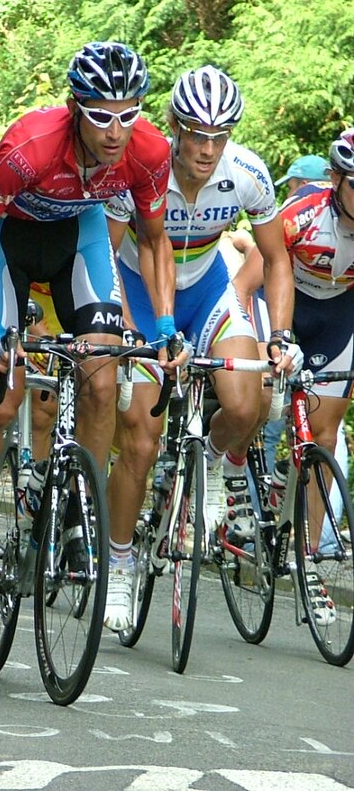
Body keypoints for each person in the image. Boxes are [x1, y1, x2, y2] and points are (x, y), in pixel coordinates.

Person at [0, 41, 183, 612]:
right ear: (75, 108)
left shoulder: (149, 151)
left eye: (129, 114)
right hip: (7, 244)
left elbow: (154, 243)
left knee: (102, 378)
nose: (116, 130)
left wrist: (168, 322)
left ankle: (80, 510)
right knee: (3, 399)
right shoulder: (30, 146)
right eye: (101, 115)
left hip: (79, 240)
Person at [104, 66, 298, 631]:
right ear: (174, 126)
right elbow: (106, 252)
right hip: (139, 292)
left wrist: (280, 334)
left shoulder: (248, 174)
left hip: (209, 289)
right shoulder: (141, 168)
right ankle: (118, 565)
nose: (208, 148)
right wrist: (126, 328)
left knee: (248, 397)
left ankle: (209, 464)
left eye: (220, 135)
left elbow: (277, 259)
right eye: (196, 133)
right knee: (139, 440)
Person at [236, 128, 354, 625]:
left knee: (321, 440)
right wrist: (259, 344)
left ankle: (305, 560)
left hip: (336, 322)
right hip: (280, 309)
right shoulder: (299, 216)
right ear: (335, 180)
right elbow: (244, 288)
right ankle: (235, 477)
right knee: (257, 399)